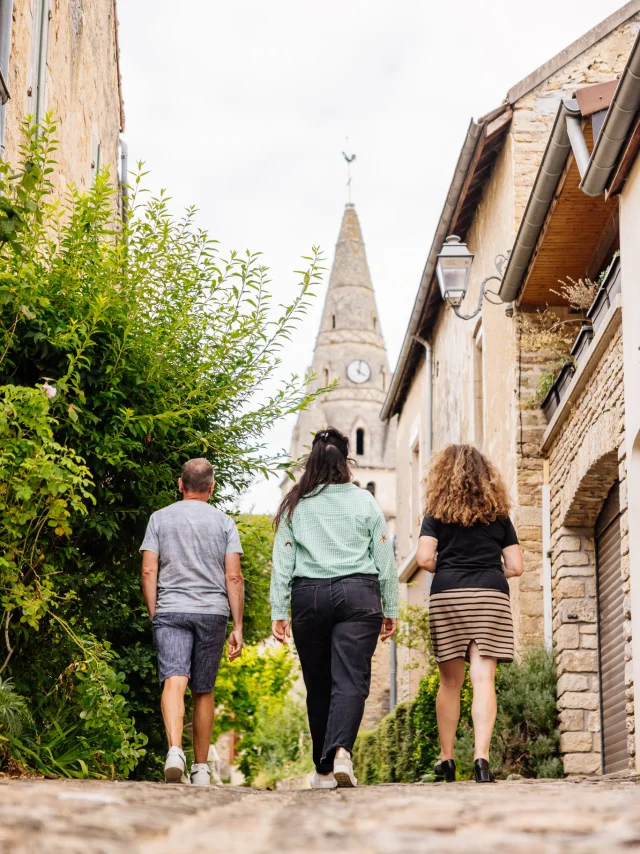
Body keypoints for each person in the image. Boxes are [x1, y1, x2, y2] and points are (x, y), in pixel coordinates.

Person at [271, 428, 399, 790]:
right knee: (351, 678)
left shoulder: (295, 503)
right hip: (359, 594)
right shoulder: (365, 502)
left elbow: (283, 562)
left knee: (318, 684)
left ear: (310, 461)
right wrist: (390, 606)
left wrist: (278, 611)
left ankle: (323, 770)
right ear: (346, 463)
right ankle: (342, 752)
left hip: (308, 596)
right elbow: (385, 560)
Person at [416, 444, 523, 784]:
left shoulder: (436, 513)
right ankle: (481, 759)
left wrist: (448, 567)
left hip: (447, 594)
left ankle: (447, 759)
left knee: (450, 682)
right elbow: (516, 566)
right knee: (483, 679)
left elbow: (422, 559)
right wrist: (488, 571)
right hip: (490, 595)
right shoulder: (499, 516)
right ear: (487, 479)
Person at [140, 458, 244, 786]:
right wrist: (237, 625)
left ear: (180, 484)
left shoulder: (159, 519)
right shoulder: (225, 523)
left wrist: (155, 610)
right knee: (203, 689)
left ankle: (174, 751)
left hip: (170, 609)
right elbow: (234, 576)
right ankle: (200, 768)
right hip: (213, 612)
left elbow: (148, 570)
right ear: (211, 488)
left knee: (174, 678)